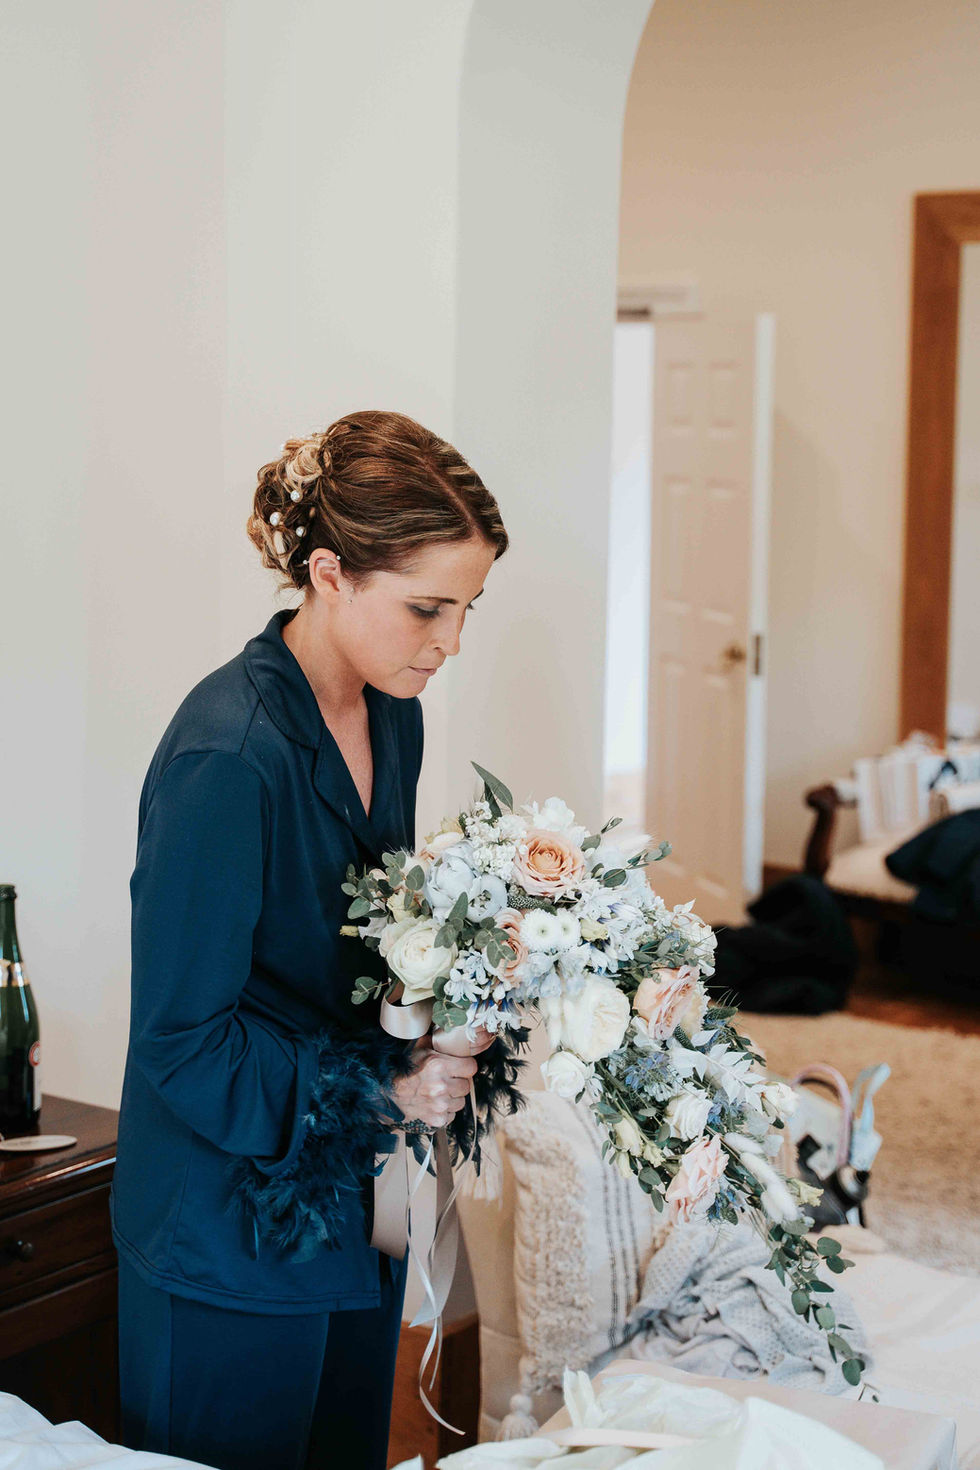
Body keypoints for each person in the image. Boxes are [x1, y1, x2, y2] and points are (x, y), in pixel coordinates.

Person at [110, 409, 509, 1470]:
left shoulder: (392, 712)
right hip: (222, 1223)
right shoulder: (226, 759)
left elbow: (362, 947)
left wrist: (454, 1009)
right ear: (328, 573)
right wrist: (384, 1090)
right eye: (427, 608)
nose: (450, 643)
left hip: (349, 1198)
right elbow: (181, 1043)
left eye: (467, 608)